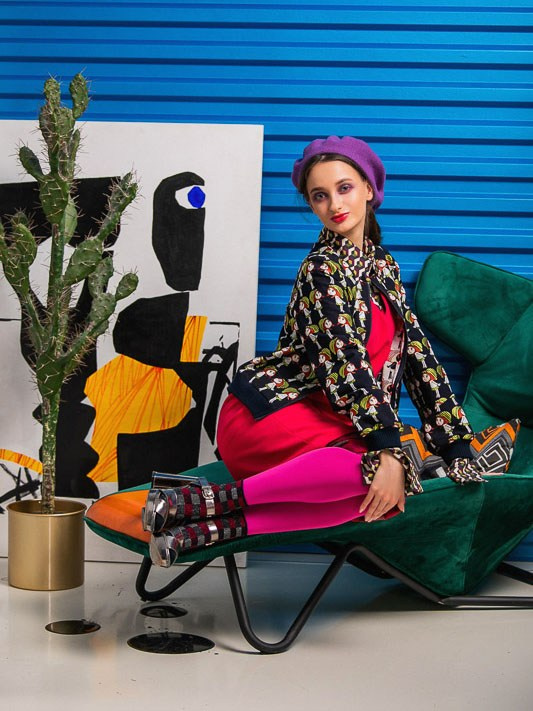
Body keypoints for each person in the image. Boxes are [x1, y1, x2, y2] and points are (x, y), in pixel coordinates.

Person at [143, 136, 484, 567]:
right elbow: (346, 362)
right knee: (374, 474)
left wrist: (455, 444)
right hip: (274, 414)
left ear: (369, 189)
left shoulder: (383, 266)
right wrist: (387, 448)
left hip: (331, 422)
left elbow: (418, 357)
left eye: (344, 188)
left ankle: (196, 520)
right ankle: (209, 501)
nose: (334, 205)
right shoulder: (320, 269)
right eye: (320, 196)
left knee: (380, 495)